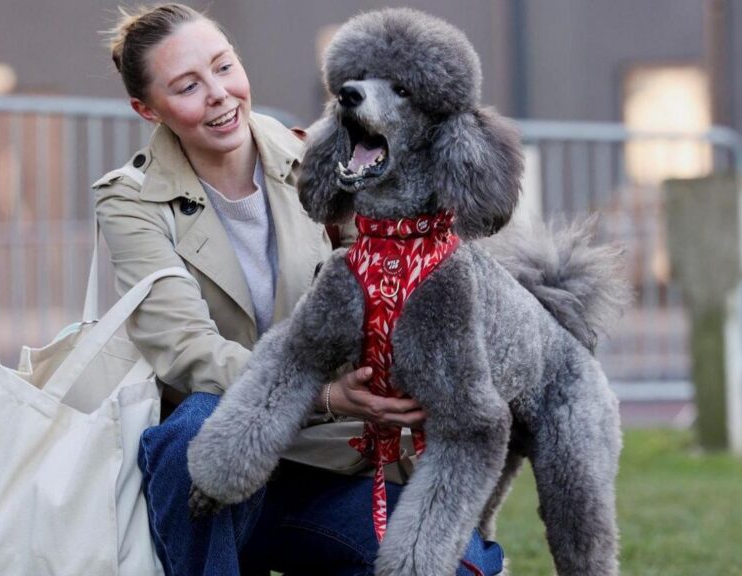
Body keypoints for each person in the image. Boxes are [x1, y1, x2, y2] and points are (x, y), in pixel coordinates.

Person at [97, 4, 504, 575]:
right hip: (217, 477)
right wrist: (320, 394)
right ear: (147, 109)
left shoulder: (323, 154)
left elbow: (395, 271)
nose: (218, 94)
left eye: (223, 67)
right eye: (188, 85)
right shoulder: (130, 201)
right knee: (197, 423)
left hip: (335, 464)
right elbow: (185, 352)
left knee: (458, 566)